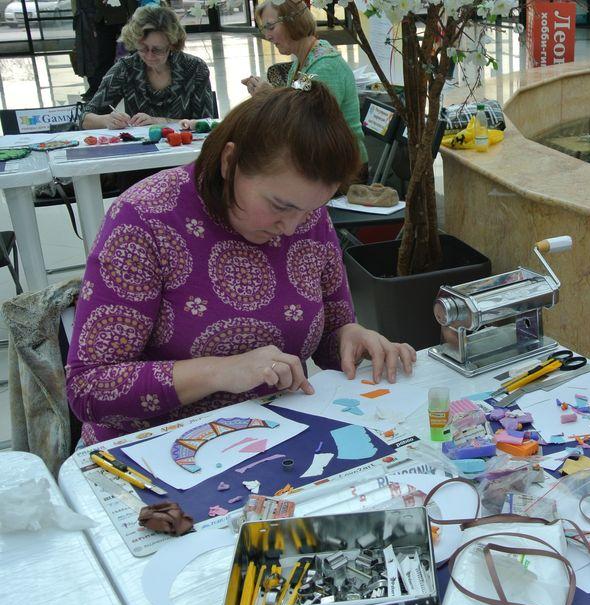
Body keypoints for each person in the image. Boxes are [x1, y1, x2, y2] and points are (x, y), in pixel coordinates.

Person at [66, 84, 416, 446]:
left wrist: (349, 337)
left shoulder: (307, 216)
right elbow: (88, 387)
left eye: (310, 209)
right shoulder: (144, 219)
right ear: (230, 162)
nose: (291, 228)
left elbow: (330, 333)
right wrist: (220, 371)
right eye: (280, 206)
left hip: (272, 438)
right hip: (152, 449)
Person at [241, 0, 368, 171]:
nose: (267, 36)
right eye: (264, 29)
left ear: (293, 21)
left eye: (270, 27)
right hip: (322, 161)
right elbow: (297, 105)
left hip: (342, 168)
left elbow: (309, 124)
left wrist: (270, 97)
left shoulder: (325, 66)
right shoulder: (304, 60)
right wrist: (267, 95)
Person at [80, 5, 215, 130]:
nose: (150, 56)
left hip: (186, 145)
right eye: (143, 48)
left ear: (172, 44)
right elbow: (85, 118)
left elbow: (206, 123)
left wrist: (160, 121)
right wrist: (106, 120)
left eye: (157, 49)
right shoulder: (126, 69)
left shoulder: (195, 68)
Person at [74, 0, 139, 100]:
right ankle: (97, 90)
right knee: (104, 57)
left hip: (123, 17)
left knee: (135, 54)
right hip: (104, 19)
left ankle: (138, 87)